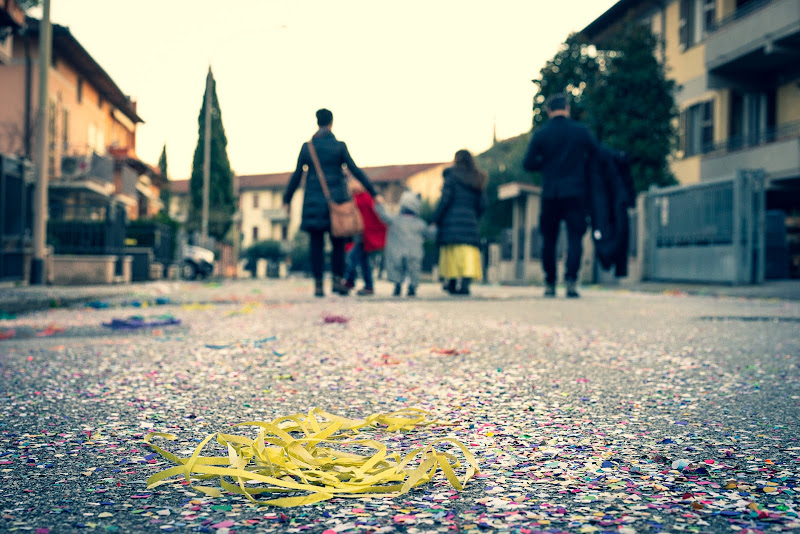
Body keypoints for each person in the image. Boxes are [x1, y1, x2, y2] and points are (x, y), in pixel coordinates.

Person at [283, 109, 378, 297]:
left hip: (313, 202)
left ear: (317, 122)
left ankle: (318, 285)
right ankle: (337, 282)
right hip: (338, 202)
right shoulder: (339, 147)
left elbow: (296, 175)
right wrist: (373, 192)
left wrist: (287, 199)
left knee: (316, 243)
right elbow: (355, 170)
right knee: (338, 243)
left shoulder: (307, 147)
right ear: (331, 123)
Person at [522, 93, 598, 298]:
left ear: (548, 111)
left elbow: (528, 163)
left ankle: (550, 283)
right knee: (576, 238)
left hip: (551, 194)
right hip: (575, 192)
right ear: (567, 108)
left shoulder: (541, 134)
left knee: (549, 239)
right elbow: (596, 153)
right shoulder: (580, 132)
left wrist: (545, 164)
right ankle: (571, 281)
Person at [432, 149, 487, 296]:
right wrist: (474, 217)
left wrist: (436, 218)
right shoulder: (477, 178)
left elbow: (445, 200)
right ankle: (465, 284)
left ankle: (451, 283)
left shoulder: (451, 176)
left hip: (451, 222)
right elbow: (482, 205)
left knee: (451, 254)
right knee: (468, 254)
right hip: (470, 222)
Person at [375, 190, 435, 297]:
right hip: (414, 252)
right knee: (414, 269)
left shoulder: (394, 219)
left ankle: (397, 285)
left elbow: (383, 215)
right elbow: (430, 233)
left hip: (396, 250)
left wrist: (378, 204)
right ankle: (412, 287)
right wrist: (437, 226)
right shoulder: (420, 223)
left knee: (395, 267)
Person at [341, 180, 387, 296]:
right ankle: (368, 286)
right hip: (362, 234)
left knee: (353, 256)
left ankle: (350, 281)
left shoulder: (361, 198)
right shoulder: (364, 197)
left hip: (363, 234)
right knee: (363, 261)